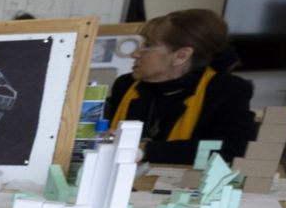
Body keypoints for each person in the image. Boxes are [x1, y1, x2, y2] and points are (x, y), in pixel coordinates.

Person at [105, 9, 256, 165]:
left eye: (148, 45)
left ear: (181, 56)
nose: (135, 54)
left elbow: (235, 149)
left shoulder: (226, 89)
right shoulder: (125, 85)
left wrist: (145, 149)